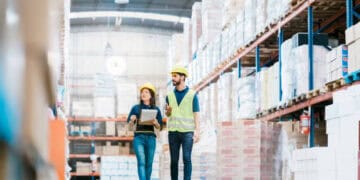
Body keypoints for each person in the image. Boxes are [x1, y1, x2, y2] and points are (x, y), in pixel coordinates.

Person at [165, 66, 200, 180]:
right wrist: (168, 112)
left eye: (175, 76)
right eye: (172, 76)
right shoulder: (169, 96)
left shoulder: (192, 95)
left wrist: (197, 131)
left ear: (183, 77)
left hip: (187, 132)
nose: (173, 79)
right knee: (174, 160)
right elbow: (168, 114)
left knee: (186, 158)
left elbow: (196, 113)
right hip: (173, 132)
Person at [128, 82, 162, 180]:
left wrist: (156, 123)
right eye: (142, 92)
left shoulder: (156, 109)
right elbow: (130, 127)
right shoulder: (135, 108)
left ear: (151, 95)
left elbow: (159, 127)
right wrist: (132, 120)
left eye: (146, 92)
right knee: (141, 162)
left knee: (149, 163)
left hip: (151, 138)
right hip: (139, 138)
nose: (143, 94)